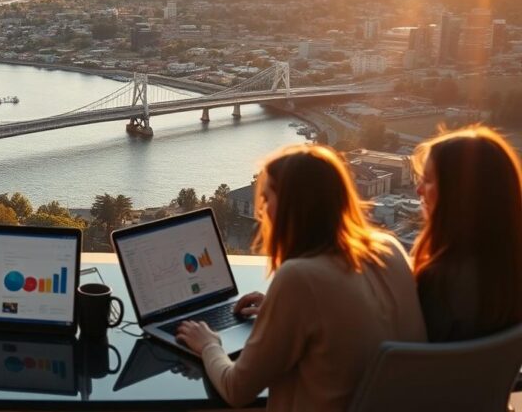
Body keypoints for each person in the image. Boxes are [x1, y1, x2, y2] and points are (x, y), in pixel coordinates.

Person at [175, 144, 425, 411]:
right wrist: (281, 311)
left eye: (267, 199)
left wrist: (209, 345)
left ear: (289, 208)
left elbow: (237, 389)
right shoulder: (388, 249)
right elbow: (347, 317)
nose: (261, 212)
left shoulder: (299, 278)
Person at [411, 125, 522, 342]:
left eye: (428, 180)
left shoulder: (439, 282)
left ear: (457, 195)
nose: (419, 190)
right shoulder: (509, 271)